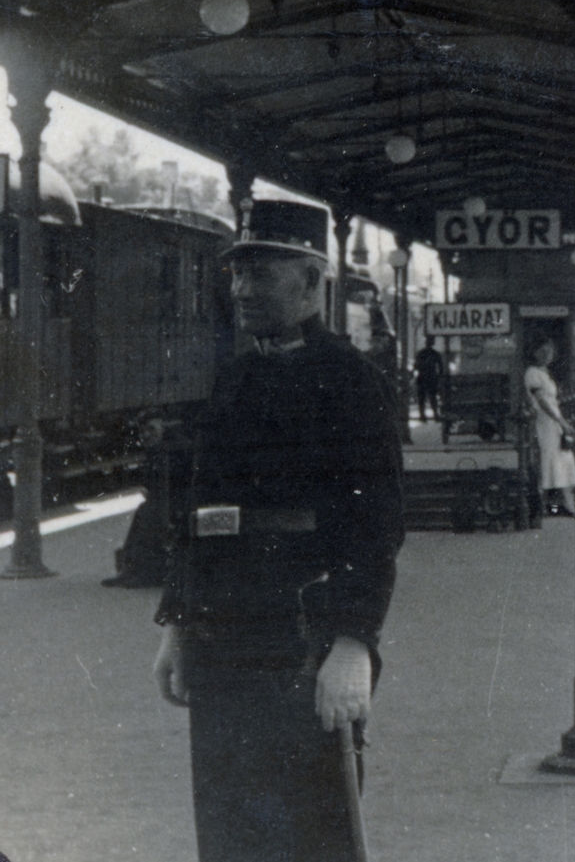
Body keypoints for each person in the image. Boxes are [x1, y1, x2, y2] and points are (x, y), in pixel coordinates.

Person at [151, 199, 406, 862]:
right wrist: (177, 623)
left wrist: (356, 640)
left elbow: (376, 524)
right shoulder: (232, 380)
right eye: (237, 274)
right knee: (230, 831)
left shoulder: (354, 383)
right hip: (222, 642)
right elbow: (197, 513)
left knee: (315, 832)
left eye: (260, 274)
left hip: (305, 642)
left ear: (312, 280)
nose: (240, 289)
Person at [524, 338, 575, 516]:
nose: (546, 355)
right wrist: (561, 421)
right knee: (550, 460)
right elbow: (542, 402)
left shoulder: (544, 373)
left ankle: (562, 503)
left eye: (549, 351)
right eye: (542, 351)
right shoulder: (532, 373)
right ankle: (550, 504)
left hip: (554, 421)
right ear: (534, 353)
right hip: (545, 421)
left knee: (561, 460)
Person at [414, 335, 443, 421]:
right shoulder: (435, 354)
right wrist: (439, 376)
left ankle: (422, 416)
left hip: (422, 377)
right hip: (432, 377)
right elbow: (441, 367)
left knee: (422, 398)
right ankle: (435, 415)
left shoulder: (421, 353)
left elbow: (416, 366)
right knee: (433, 398)